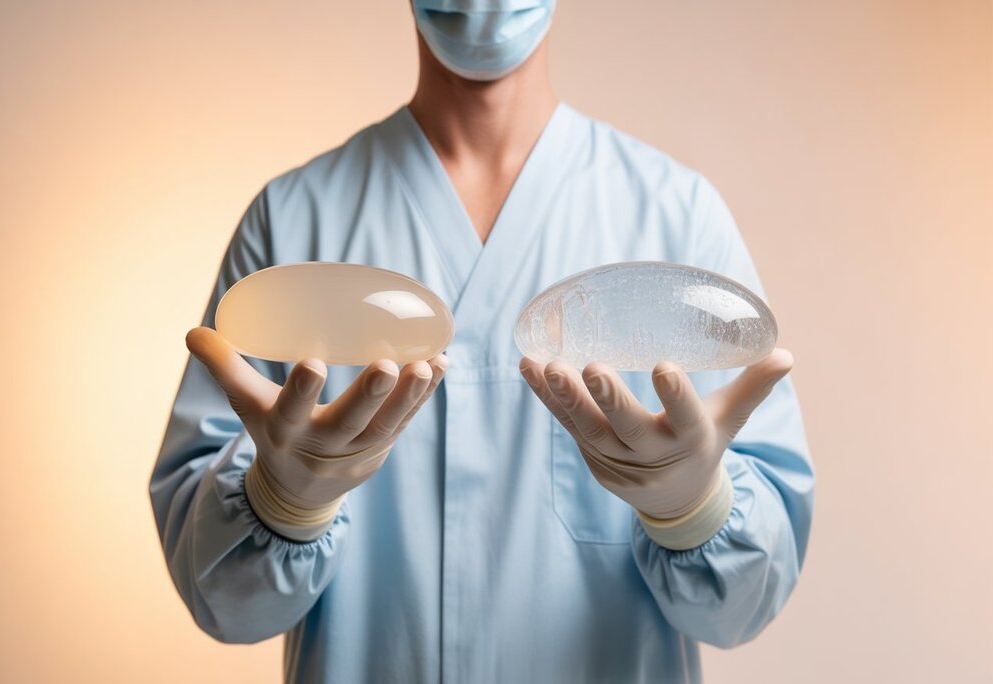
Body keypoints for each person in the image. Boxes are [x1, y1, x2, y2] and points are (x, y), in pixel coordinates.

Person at [150, 1, 814, 681]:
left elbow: (742, 610)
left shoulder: (675, 216)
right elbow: (224, 607)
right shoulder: (292, 221)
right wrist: (280, 503)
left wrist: (694, 510)